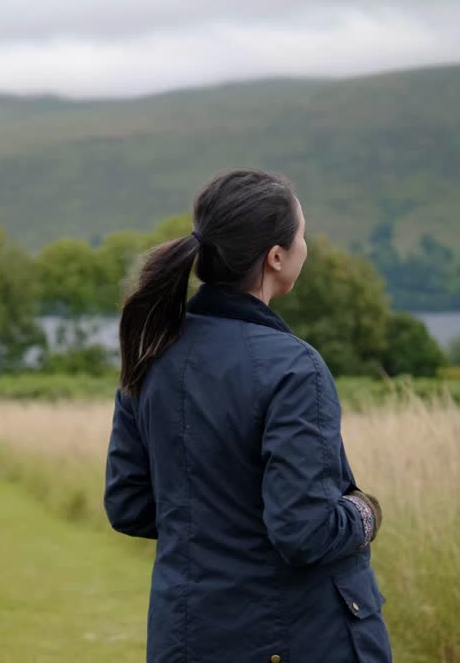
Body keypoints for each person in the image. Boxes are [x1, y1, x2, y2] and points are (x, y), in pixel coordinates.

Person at [104, 168, 391, 662]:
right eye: (302, 236)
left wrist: (213, 523)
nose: (306, 247)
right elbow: (304, 530)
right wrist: (365, 514)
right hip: (299, 639)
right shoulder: (294, 367)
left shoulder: (150, 354)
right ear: (276, 257)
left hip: (186, 637)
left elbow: (129, 505)